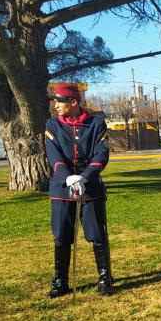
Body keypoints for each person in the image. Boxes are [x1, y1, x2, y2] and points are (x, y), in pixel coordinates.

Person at [44, 83, 113, 298]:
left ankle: (104, 277)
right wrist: (68, 177)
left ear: (73, 102)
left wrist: (85, 176)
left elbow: (101, 155)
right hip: (62, 188)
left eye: (59, 101)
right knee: (62, 234)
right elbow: (53, 156)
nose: (55, 105)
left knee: (97, 233)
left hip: (90, 186)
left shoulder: (96, 123)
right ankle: (60, 280)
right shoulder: (52, 125)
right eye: (54, 101)